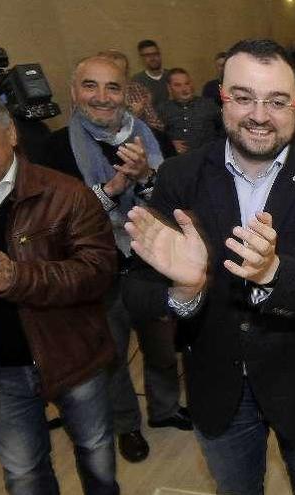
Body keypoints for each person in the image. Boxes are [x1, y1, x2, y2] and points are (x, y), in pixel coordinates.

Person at [121, 39, 295, 495]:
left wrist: (274, 274)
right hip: (217, 385)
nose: (259, 115)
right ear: (222, 99)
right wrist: (185, 290)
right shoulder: (179, 176)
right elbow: (135, 291)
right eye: (244, 97)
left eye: (276, 101)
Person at [0, 84, 120, 494]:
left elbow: (98, 272)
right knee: (25, 476)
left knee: (97, 458)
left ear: (10, 132)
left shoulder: (66, 194)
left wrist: (19, 278)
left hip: (74, 357)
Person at [42, 55, 188, 464]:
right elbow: (57, 221)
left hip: (149, 265)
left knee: (161, 349)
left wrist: (145, 177)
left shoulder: (151, 136)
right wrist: (113, 186)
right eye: (91, 86)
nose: (102, 97)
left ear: (128, 93)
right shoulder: (54, 148)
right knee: (112, 359)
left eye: (113, 87)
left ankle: (164, 410)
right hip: (96, 272)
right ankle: (127, 425)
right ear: (74, 92)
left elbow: (171, 206)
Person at [158, 67, 223, 155]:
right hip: (178, 161)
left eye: (187, 83)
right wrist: (170, 144)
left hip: (208, 158)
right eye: (178, 85)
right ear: (169, 88)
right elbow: (155, 138)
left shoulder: (208, 105)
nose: (184, 89)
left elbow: (225, 130)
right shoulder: (163, 109)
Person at [132, 40, 170, 115]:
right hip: (149, 124)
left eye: (155, 54)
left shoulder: (171, 76)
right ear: (141, 58)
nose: (152, 58)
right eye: (147, 55)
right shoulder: (137, 81)